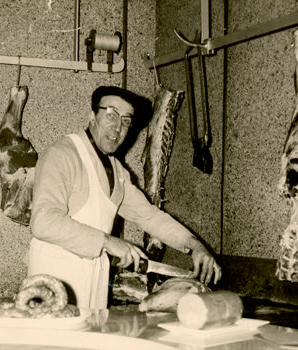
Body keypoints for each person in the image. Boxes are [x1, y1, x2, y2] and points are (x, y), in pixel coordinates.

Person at [27, 85, 222, 309]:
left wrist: (195, 245)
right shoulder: (62, 154)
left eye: (127, 120)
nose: (118, 127)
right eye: (111, 114)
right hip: (54, 283)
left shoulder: (116, 170)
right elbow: (43, 222)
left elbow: (149, 217)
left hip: (94, 282)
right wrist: (108, 242)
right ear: (92, 116)